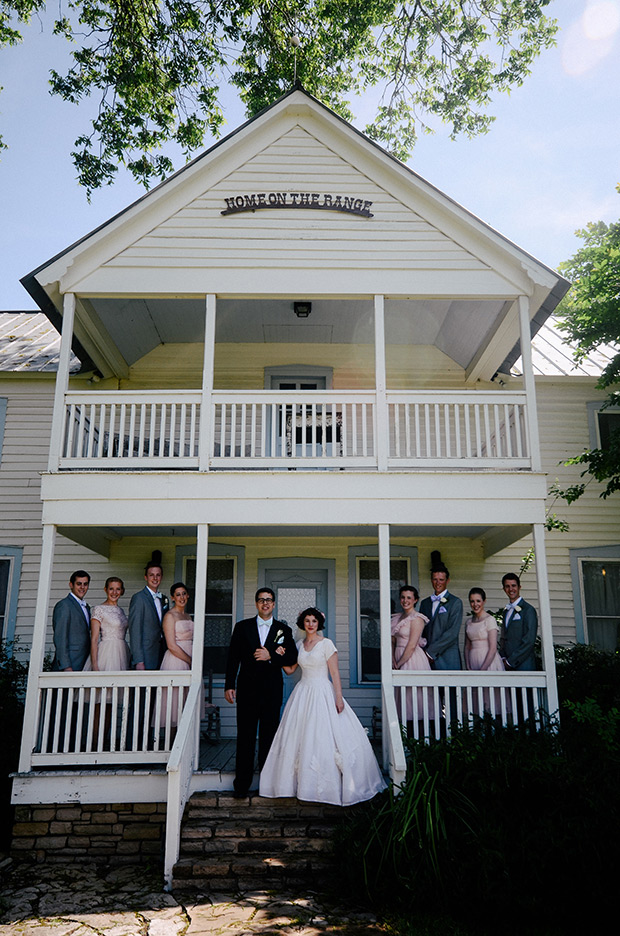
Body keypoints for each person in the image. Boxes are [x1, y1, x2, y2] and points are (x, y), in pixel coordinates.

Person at [259, 607, 386, 805]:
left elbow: (334, 673)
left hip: (322, 692)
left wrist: (338, 697)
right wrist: (280, 655)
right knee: (299, 737)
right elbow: (291, 670)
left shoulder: (326, 644)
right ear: (303, 623)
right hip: (303, 692)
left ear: (319, 624)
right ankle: (297, 785)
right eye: (307, 620)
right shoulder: (299, 644)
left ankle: (329, 787)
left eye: (314, 621)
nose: (311, 624)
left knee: (322, 736)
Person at [224, 588, 298, 797]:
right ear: (256, 604)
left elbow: (293, 657)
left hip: (271, 691)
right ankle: (242, 785)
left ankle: (267, 785)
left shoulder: (284, 629)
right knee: (245, 736)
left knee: (269, 737)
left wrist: (272, 656)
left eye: (269, 600)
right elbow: (233, 658)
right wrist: (229, 685)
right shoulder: (242, 627)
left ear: (274, 604)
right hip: (246, 689)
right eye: (261, 600)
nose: (265, 603)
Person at [83, 576, 130, 745]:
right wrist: (96, 666)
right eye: (111, 589)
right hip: (106, 655)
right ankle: (94, 742)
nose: (115, 592)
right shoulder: (99, 610)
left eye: (118, 589)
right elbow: (94, 639)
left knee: (111, 703)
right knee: (100, 703)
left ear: (122, 591)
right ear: (105, 589)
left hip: (121, 655)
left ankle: (104, 740)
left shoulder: (121, 611)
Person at [391, 585, 432, 729]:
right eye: (403, 597)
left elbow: (412, 644)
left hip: (412, 658)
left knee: (414, 698)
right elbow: (392, 641)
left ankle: (419, 734)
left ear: (415, 600)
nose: (405, 600)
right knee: (402, 699)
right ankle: (403, 734)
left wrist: (400, 663)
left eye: (409, 598)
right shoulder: (397, 618)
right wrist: (392, 659)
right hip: (398, 656)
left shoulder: (417, 618)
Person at [158, 582, 194, 728]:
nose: (182, 597)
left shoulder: (188, 616)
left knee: (186, 702)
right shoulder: (170, 616)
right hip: (176, 660)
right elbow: (171, 645)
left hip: (189, 658)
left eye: (184, 593)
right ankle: (171, 744)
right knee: (174, 705)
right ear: (173, 597)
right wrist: (190, 660)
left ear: (188, 595)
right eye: (178, 594)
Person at [464, 587, 504, 715]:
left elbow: (493, 647)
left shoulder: (490, 620)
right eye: (472, 601)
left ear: (484, 601)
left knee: (490, 699)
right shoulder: (469, 622)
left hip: (488, 661)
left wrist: (483, 670)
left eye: (478, 601)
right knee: (477, 701)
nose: (475, 604)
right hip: (473, 660)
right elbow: (466, 646)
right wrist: (468, 666)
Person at [418, 562, 463, 670]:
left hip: (447, 658)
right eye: (435, 579)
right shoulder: (425, 603)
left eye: (441, 580)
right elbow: (422, 630)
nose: (438, 583)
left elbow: (452, 633)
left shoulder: (455, 602)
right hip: (427, 659)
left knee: (450, 687)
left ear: (447, 581)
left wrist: (430, 652)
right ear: (431, 580)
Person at [128, 561, 166, 670]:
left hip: (161, 652)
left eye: (158, 575)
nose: (155, 578)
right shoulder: (139, 598)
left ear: (161, 577)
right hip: (145, 655)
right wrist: (139, 660)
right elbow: (135, 631)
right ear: (146, 577)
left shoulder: (163, 599)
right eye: (151, 575)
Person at [51, 570, 91, 671]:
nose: (82, 587)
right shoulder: (64, 605)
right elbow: (60, 638)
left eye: (85, 584)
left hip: (84, 661)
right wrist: (66, 666)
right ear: (71, 585)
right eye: (79, 584)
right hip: (70, 663)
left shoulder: (87, 607)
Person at [500, 573, 538, 671]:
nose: (511, 589)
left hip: (524, 665)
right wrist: (503, 658)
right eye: (507, 586)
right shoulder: (506, 611)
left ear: (519, 587)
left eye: (513, 586)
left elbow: (529, 641)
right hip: (507, 666)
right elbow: (504, 637)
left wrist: (511, 662)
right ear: (504, 589)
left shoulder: (528, 610)